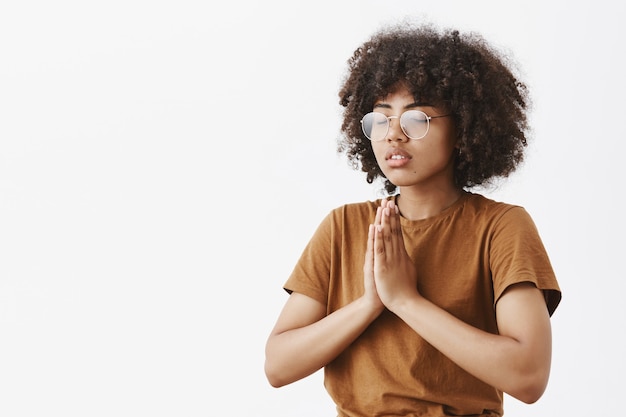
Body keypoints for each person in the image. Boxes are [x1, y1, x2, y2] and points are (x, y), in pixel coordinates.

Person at [264, 22, 561, 417]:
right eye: (381, 119)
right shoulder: (343, 227)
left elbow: (528, 377)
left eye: (416, 119)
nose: (393, 136)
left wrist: (405, 300)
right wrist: (370, 303)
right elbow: (278, 366)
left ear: (463, 128)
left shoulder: (501, 228)